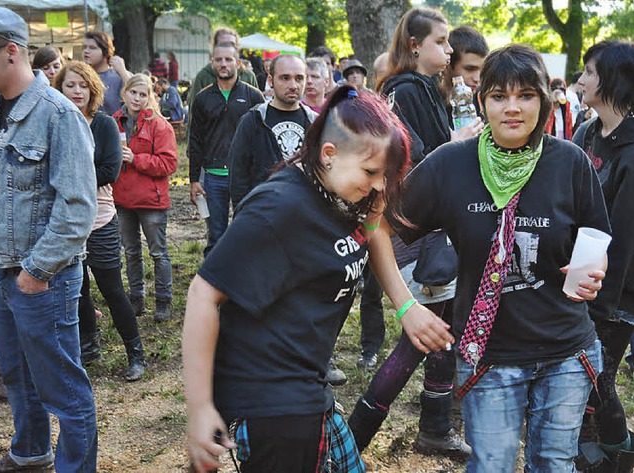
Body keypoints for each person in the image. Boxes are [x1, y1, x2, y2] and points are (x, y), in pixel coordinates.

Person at [182, 84, 455, 473]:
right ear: (329, 154)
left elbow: (374, 227)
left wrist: (407, 307)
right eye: (371, 172)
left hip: (312, 390)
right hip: (272, 402)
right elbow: (202, 294)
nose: (379, 186)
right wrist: (199, 408)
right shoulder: (278, 207)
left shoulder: (345, 193)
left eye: (386, 176)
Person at [370, 43, 607, 472]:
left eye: (526, 95)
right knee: (492, 465)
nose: (512, 108)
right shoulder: (451, 164)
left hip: (567, 352)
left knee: (554, 464)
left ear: (545, 100)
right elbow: (378, 229)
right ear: (482, 101)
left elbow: (597, 236)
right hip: (490, 356)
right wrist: (406, 307)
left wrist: (595, 271)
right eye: (499, 96)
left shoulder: (570, 161)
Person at [349, 7, 482, 458]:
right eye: (441, 43)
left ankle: (433, 428)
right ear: (414, 46)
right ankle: (353, 439)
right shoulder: (406, 90)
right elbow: (414, 164)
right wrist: (460, 142)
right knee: (420, 339)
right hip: (411, 230)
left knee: (437, 332)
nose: (449, 50)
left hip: (426, 228)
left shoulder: (426, 89)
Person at [0, 8, 98, 471]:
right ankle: (32, 450)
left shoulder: (59, 114)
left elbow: (78, 207)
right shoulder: (0, 112)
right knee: (17, 375)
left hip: (43, 278)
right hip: (2, 270)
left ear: (11, 51)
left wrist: (36, 273)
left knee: (63, 388)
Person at [54, 60, 147, 382]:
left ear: (92, 89)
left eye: (82, 85)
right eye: (70, 85)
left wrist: (64, 177)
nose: (76, 91)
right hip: (65, 223)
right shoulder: (56, 122)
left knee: (111, 289)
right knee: (76, 290)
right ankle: (88, 347)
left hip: (100, 220)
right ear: (60, 89)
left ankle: (136, 353)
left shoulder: (104, 124)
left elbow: (110, 170)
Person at [574, 40, 634, 471]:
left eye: (590, 72)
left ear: (614, 80)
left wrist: (604, 305)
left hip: (616, 294)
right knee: (580, 377)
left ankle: (618, 453)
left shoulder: (633, 153)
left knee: (599, 380)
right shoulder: (586, 133)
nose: (580, 81)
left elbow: (626, 239)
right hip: (577, 278)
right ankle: (596, 452)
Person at [111, 74, 178, 322]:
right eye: (133, 93)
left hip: (151, 200)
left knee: (158, 252)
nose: (137, 98)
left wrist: (135, 159)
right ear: (124, 93)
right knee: (130, 252)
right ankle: (136, 298)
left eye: (143, 94)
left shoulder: (160, 125)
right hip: (123, 199)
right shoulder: (114, 122)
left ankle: (163, 300)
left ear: (150, 96)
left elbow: (169, 163)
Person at [188, 43, 264, 256]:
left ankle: (245, 281)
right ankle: (214, 285)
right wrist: (194, 179)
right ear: (212, 63)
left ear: (238, 64)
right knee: (216, 235)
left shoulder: (254, 97)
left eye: (228, 59)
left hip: (245, 177)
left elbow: (262, 140)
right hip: (213, 178)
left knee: (247, 231)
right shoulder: (203, 98)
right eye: (219, 59)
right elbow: (195, 141)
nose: (223, 64)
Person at [228, 54, 317, 208]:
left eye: (299, 78)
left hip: (305, 212)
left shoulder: (315, 123)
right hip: (263, 212)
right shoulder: (254, 120)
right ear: (270, 80)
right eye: (285, 78)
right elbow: (238, 173)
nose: (293, 85)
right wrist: (243, 212)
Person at [187, 27, 258, 116]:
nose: (227, 48)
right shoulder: (204, 77)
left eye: (231, 44)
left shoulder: (248, 76)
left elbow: (258, 114)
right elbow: (194, 114)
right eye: (223, 44)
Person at [83, 31, 132, 115]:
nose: (86, 51)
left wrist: (123, 73)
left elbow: (136, 96)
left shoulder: (120, 76)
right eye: (84, 47)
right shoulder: (81, 75)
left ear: (105, 51)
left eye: (92, 48)